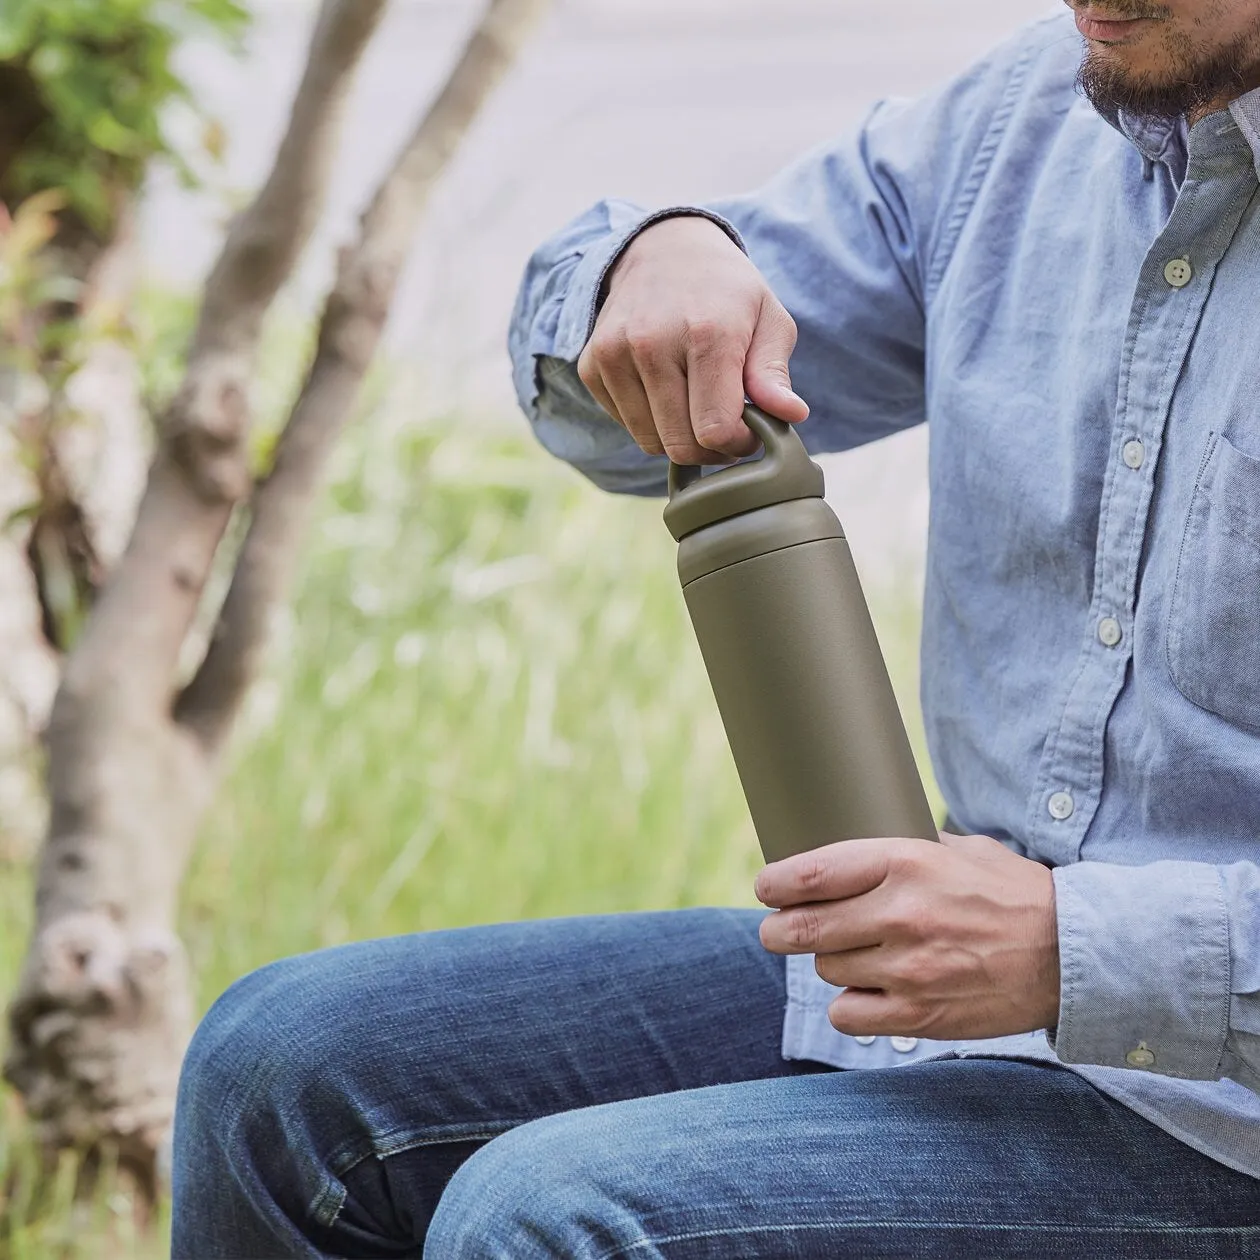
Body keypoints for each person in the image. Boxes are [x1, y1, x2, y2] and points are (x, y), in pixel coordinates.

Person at [171, 3, 1260, 1256]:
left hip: (1218, 1120)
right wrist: (656, 260)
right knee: (279, 1074)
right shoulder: (1025, 118)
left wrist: (1081, 950)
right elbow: (619, 402)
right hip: (943, 1004)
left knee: (551, 1222)